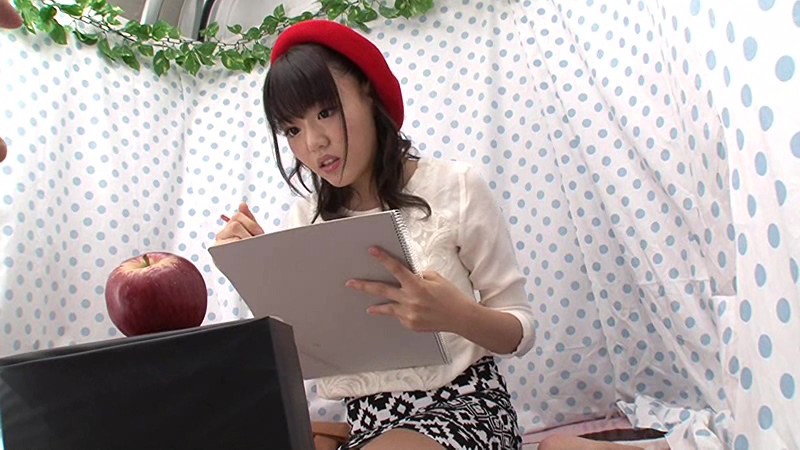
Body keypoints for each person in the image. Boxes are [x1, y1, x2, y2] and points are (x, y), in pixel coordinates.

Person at [215, 20, 535, 450]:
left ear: (368, 92)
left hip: (465, 407)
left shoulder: (456, 186)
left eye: (326, 112)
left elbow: (519, 330)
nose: (313, 142)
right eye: (292, 129)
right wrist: (259, 271)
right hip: (367, 425)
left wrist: (457, 315)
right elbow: (306, 353)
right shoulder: (306, 220)